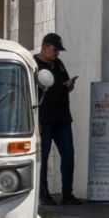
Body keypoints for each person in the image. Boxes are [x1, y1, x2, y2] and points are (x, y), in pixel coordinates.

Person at [34, 32, 80, 205]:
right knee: (43, 157)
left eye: (58, 51)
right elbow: (30, 93)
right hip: (44, 120)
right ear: (44, 47)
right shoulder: (34, 65)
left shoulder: (58, 64)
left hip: (62, 118)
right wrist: (36, 119)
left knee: (68, 155)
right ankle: (43, 194)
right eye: (54, 50)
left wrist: (69, 85)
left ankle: (67, 194)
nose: (57, 54)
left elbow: (62, 86)